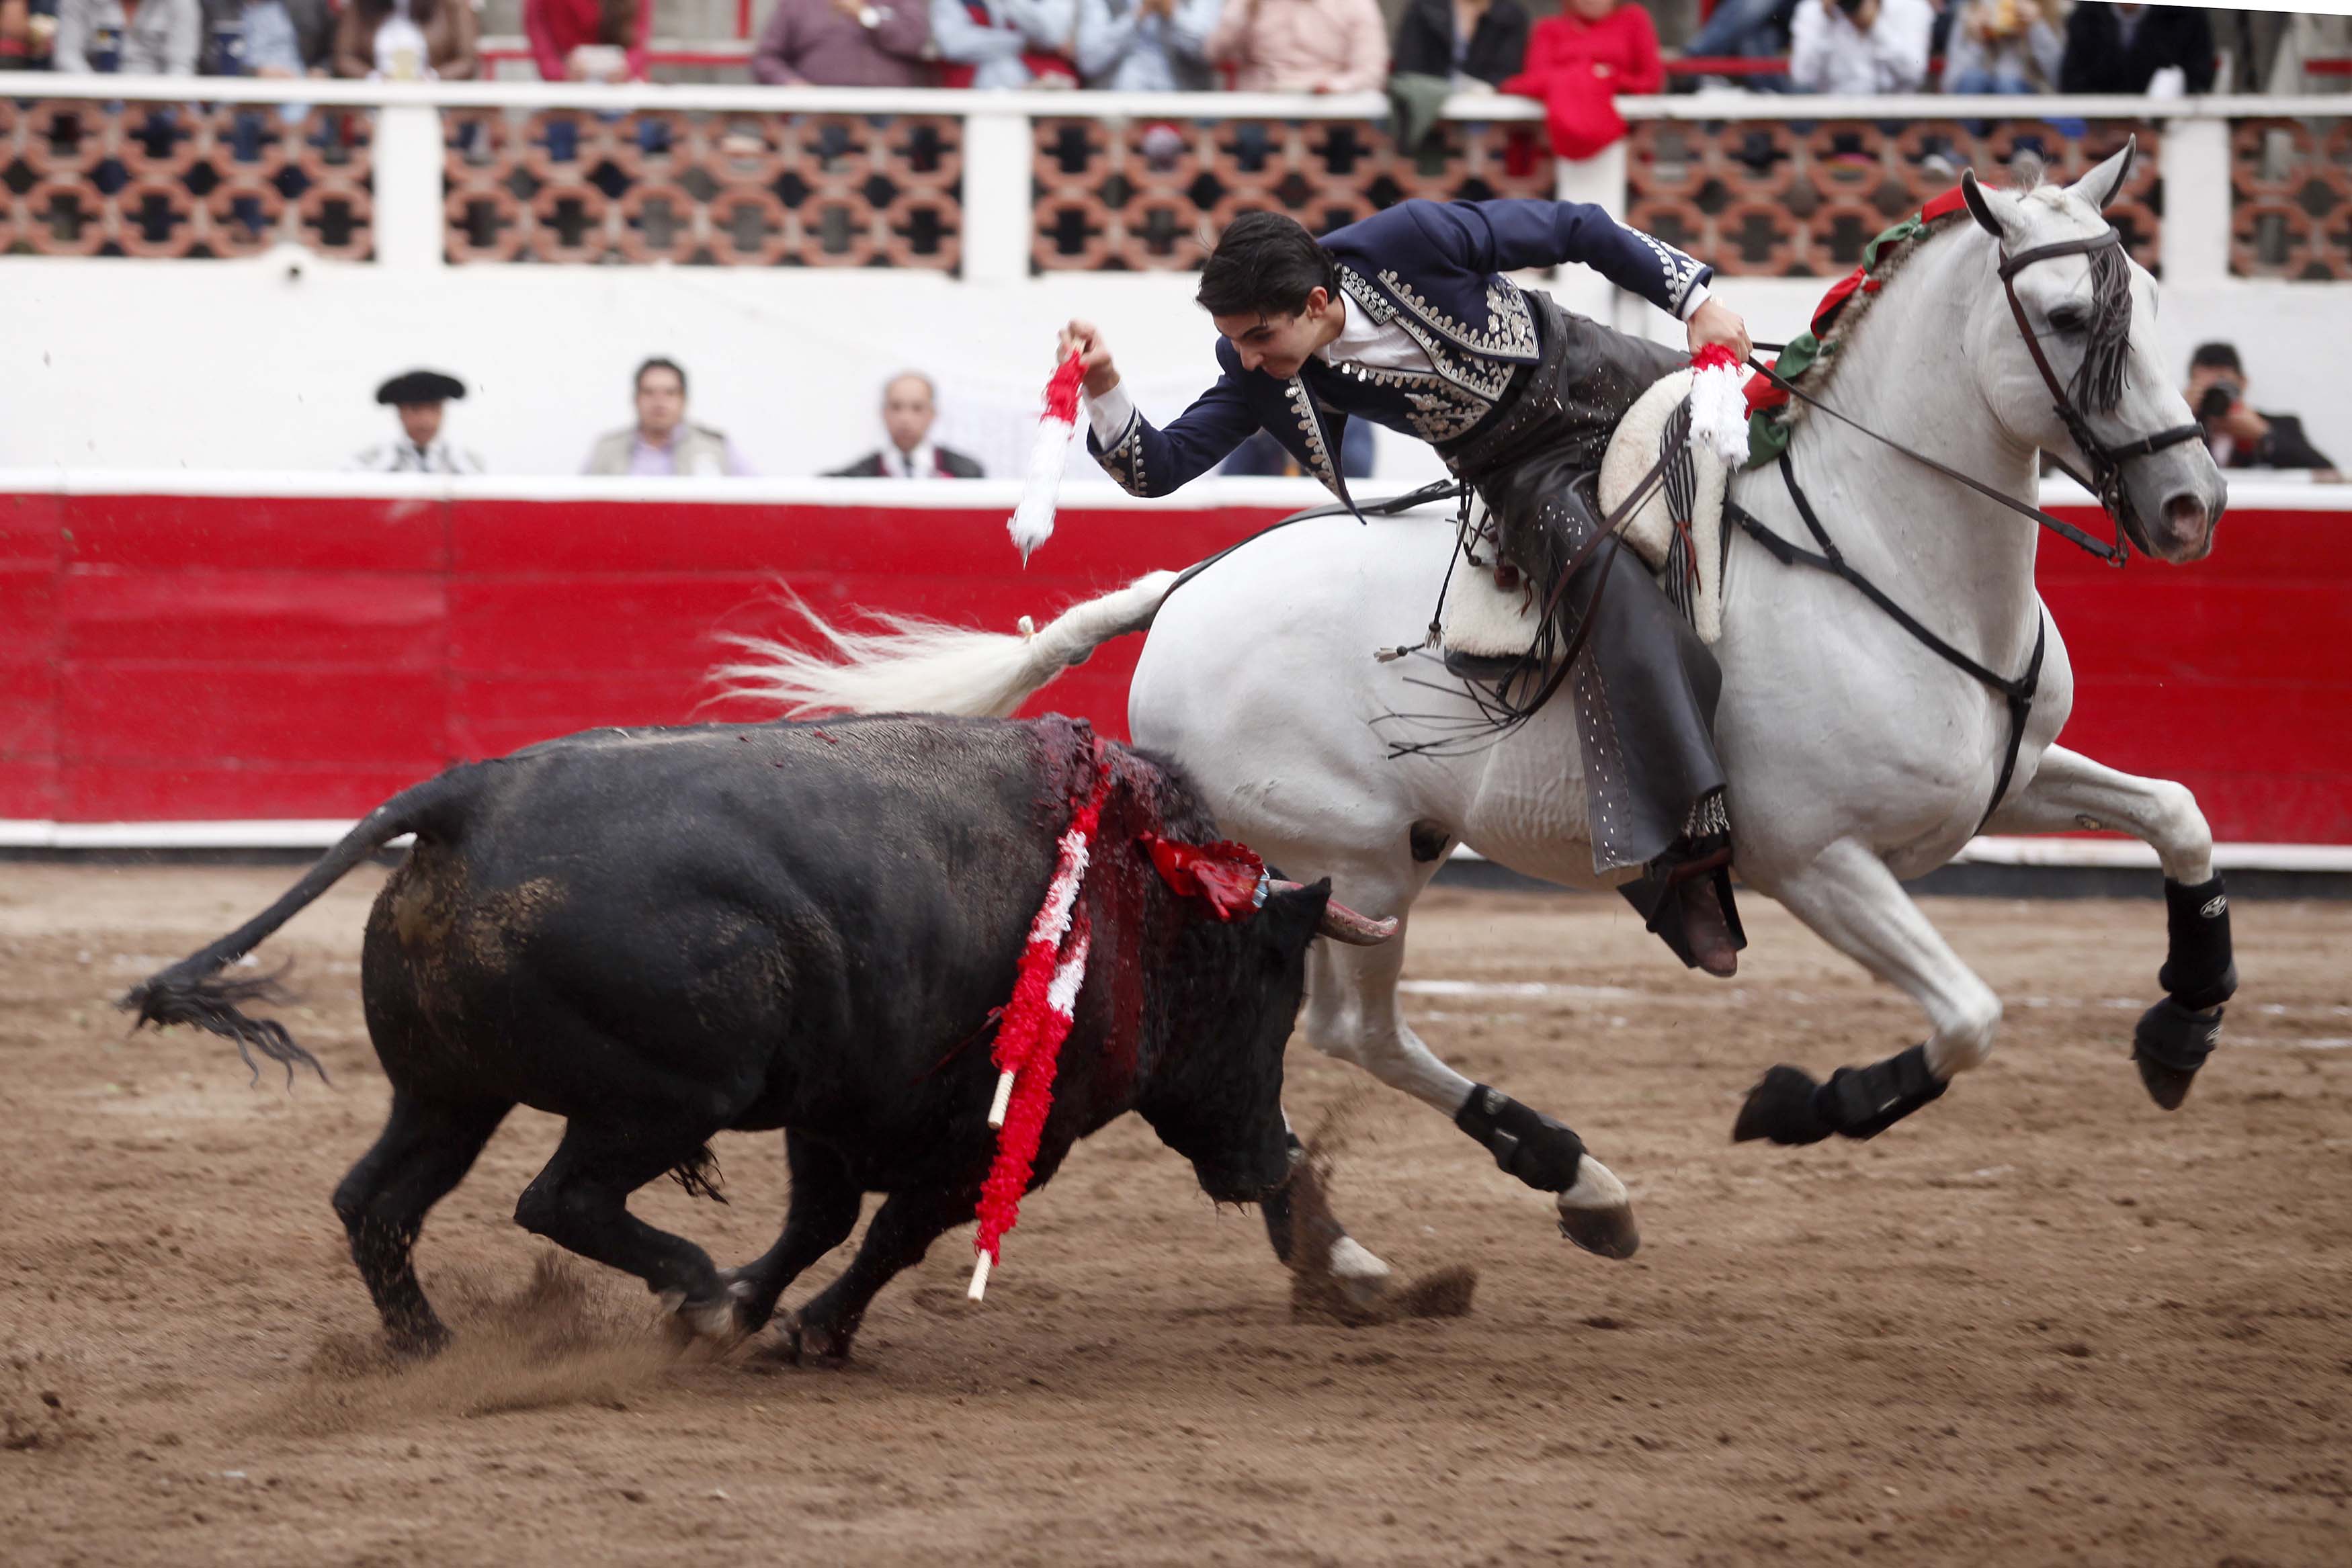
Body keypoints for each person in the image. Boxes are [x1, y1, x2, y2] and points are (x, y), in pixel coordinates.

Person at [1060, 202, 1755, 974]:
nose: (1249, 358)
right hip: (1524, 475)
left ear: (1316, 303)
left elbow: (1578, 229)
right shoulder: (1265, 371)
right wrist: (1105, 388)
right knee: (1612, 602)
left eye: (1259, 336)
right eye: (1234, 341)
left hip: (1607, 377)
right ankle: (1685, 862)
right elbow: (1157, 468)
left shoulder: (1411, 240)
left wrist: (1699, 303)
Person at [1499, 0, 1661, 161]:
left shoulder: (1633, 19)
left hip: (1628, 135)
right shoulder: (1549, 28)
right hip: (1557, 138)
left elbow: (1651, 80)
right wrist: (1583, 75)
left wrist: (1609, 78)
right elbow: (1534, 79)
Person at [585, 357, 755, 477]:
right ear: (636, 399)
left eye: (670, 393)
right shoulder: (606, 451)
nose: (659, 402)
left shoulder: (716, 449)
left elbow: (758, 501)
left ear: (684, 400)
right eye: (649, 392)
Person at [2184, 343, 2336, 473]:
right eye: (2204, 385)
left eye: (2221, 383)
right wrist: (2181, 416)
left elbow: (2326, 471)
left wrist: (2264, 435)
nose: (2213, 393)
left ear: (2243, 383)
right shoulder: (2183, 429)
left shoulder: (2283, 426)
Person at [1205, 0, 1386, 93]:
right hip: (1260, 111)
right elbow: (1213, 54)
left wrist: (1335, 87)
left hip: (1330, 115)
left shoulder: (1356, 5)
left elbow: (1371, 72)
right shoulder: (1251, 4)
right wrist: (1244, 12)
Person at [829, 372, 986, 478]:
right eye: (896, 407)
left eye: (917, 408)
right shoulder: (855, 478)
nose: (905, 418)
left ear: (932, 414)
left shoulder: (966, 474)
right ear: (884, 413)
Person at [751, 0, 931, 85]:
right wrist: (789, 82)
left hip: (893, 112)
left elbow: (914, 42)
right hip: (818, 111)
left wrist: (866, 16)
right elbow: (767, 58)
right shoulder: (798, 4)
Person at [2058, 3, 2214, 95]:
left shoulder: (2188, 16)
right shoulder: (2085, 17)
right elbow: (2071, 82)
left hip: (2173, 126)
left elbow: (2201, 78)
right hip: (2100, 130)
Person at [347, 369, 485, 474]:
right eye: (416, 409)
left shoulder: (468, 463)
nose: (425, 420)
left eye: (433, 408)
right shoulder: (368, 463)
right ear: (400, 412)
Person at [1788, 0, 1933, 95]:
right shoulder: (1813, 10)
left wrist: (1875, 27)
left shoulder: (1912, 6)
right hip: (1832, 114)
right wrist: (1825, 20)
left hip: (1892, 114)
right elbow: (1802, 77)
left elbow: (1914, 74)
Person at [1073, 0, 1218, 91]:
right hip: (1117, 110)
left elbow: (1209, 54)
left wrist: (1174, 14)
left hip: (1187, 109)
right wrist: (1136, 17)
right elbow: (1089, 62)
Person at [930, 0, 1077, 88]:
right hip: (971, 94)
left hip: (1041, 95)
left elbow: (1051, 35)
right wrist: (1023, 44)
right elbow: (954, 45)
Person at [1390, 0, 1527, 89]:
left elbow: (1505, 74)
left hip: (1486, 111)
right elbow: (1408, 68)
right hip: (1428, 107)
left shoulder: (1510, 16)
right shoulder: (1425, 8)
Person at [1942, 0, 2064, 95]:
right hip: (1976, 107)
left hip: (2031, 103)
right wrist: (1976, 41)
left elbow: (2060, 80)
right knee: (1973, 80)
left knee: (2007, 83)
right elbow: (1949, 84)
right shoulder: (1970, 12)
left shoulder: (2049, 12)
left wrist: (2036, 28)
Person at [333, 0, 477, 79]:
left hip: (438, 101)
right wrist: (374, 78)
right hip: (373, 102)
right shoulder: (360, 6)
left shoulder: (451, 6)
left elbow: (467, 61)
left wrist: (432, 77)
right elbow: (344, 58)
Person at [53, 0, 200, 72]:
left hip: (162, 101)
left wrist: (159, 101)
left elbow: (181, 65)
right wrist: (95, 93)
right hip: (92, 99)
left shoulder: (182, 3)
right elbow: (67, 56)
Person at [526, 0, 648, 83]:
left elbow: (639, 44)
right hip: (566, 90)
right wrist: (561, 72)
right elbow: (541, 42)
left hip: (621, 91)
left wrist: (626, 68)